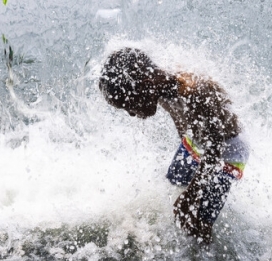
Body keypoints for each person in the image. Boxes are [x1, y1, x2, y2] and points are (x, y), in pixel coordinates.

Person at [98, 48, 249, 243]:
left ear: (145, 85)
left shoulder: (194, 91)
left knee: (199, 224)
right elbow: (182, 120)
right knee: (173, 185)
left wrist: (192, 193)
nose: (131, 113)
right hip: (196, 142)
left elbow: (215, 148)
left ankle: (204, 250)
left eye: (129, 105)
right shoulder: (158, 82)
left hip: (226, 153)